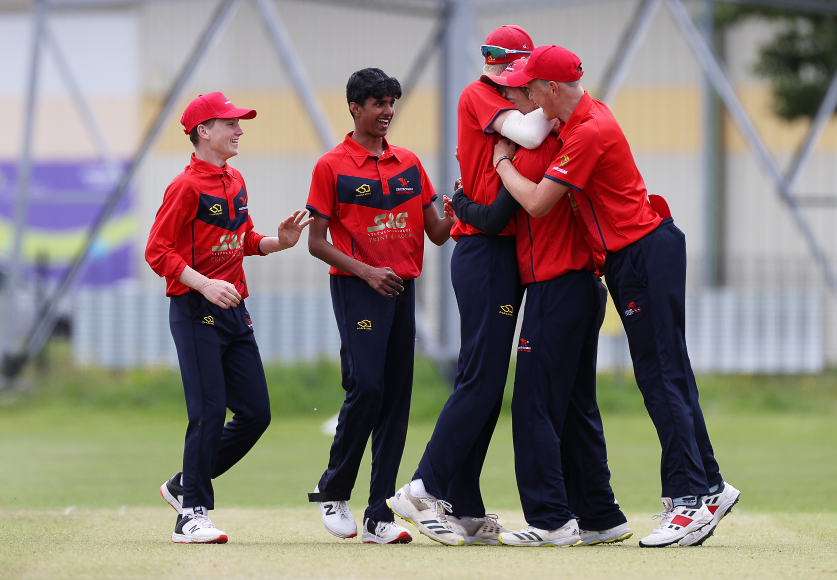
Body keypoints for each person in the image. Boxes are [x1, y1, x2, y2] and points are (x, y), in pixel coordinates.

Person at [490, 45, 741, 548]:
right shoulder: (577, 120)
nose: (524, 97)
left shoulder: (588, 131)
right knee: (667, 371)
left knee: (660, 376)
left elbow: (538, 204)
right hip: (637, 256)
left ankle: (691, 500)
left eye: (531, 87)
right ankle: (709, 484)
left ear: (554, 90)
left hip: (643, 255)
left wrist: (501, 164)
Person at [387, 26, 558, 547]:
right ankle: (422, 489)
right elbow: (529, 137)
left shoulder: (509, 99)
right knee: (480, 379)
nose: (529, 86)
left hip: (497, 247)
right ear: (507, 65)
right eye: (524, 73)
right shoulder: (481, 94)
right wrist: (561, 104)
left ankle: (463, 506)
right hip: (484, 252)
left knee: (486, 382)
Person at [449, 60, 630, 547]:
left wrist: (493, 167)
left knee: (533, 406)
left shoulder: (535, 150)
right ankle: (600, 515)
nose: (513, 99)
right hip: (583, 288)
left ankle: (551, 520)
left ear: (544, 94)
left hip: (557, 287)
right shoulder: (574, 133)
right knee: (574, 407)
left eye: (521, 91)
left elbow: (503, 213)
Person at [146, 92, 312, 544]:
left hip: (234, 310)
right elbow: (157, 251)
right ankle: (191, 514)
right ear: (203, 131)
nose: (239, 130)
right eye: (230, 123)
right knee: (209, 412)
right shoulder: (184, 187)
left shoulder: (235, 180)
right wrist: (203, 284)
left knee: (256, 413)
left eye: (239, 123)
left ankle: (184, 484)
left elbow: (240, 240)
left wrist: (279, 242)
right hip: (196, 309)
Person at [305, 68, 455, 545]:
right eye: (379, 103)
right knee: (367, 388)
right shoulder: (331, 166)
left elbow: (434, 234)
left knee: (396, 401)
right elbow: (315, 242)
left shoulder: (409, 163)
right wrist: (366, 270)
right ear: (355, 107)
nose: (388, 111)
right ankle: (333, 489)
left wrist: (454, 216)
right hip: (358, 288)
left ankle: (378, 515)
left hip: (402, 290)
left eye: (392, 102)